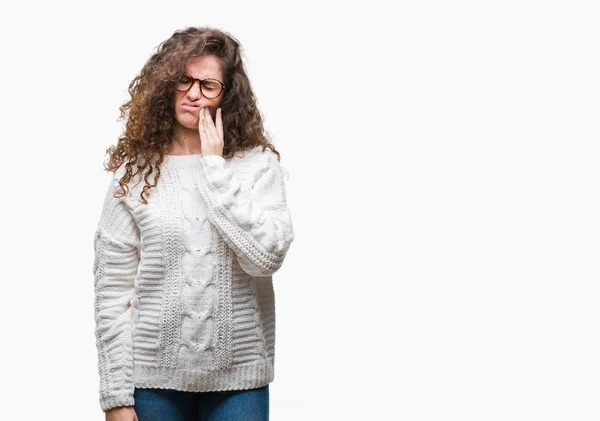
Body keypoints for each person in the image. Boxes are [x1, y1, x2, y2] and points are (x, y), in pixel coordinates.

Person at [92, 26, 295, 421]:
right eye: (183, 79)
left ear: (228, 94)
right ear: (165, 85)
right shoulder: (135, 175)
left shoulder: (256, 165)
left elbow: (266, 258)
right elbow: (111, 293)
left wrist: (215, 165)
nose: (193, 92)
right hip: (152, 381)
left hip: (240, 381)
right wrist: (115, 395)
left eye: (208, 84)